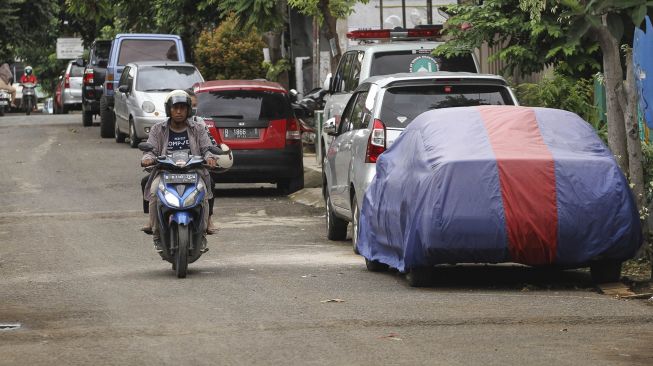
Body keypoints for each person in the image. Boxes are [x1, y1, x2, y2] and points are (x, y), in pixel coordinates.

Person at [140, 89, 217, 252]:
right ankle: (157, 235)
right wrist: (147, 157)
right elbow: (150, 149)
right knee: (154, 191)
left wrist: (210, 157)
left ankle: (202, 233)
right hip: (165, 173)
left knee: (203, 192)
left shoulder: (198, 128)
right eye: (175, 108)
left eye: (183, 107)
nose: (179, 111)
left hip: (194, 172)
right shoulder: (157, 129)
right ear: (169, 109)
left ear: (188, 109)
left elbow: (206, 148)